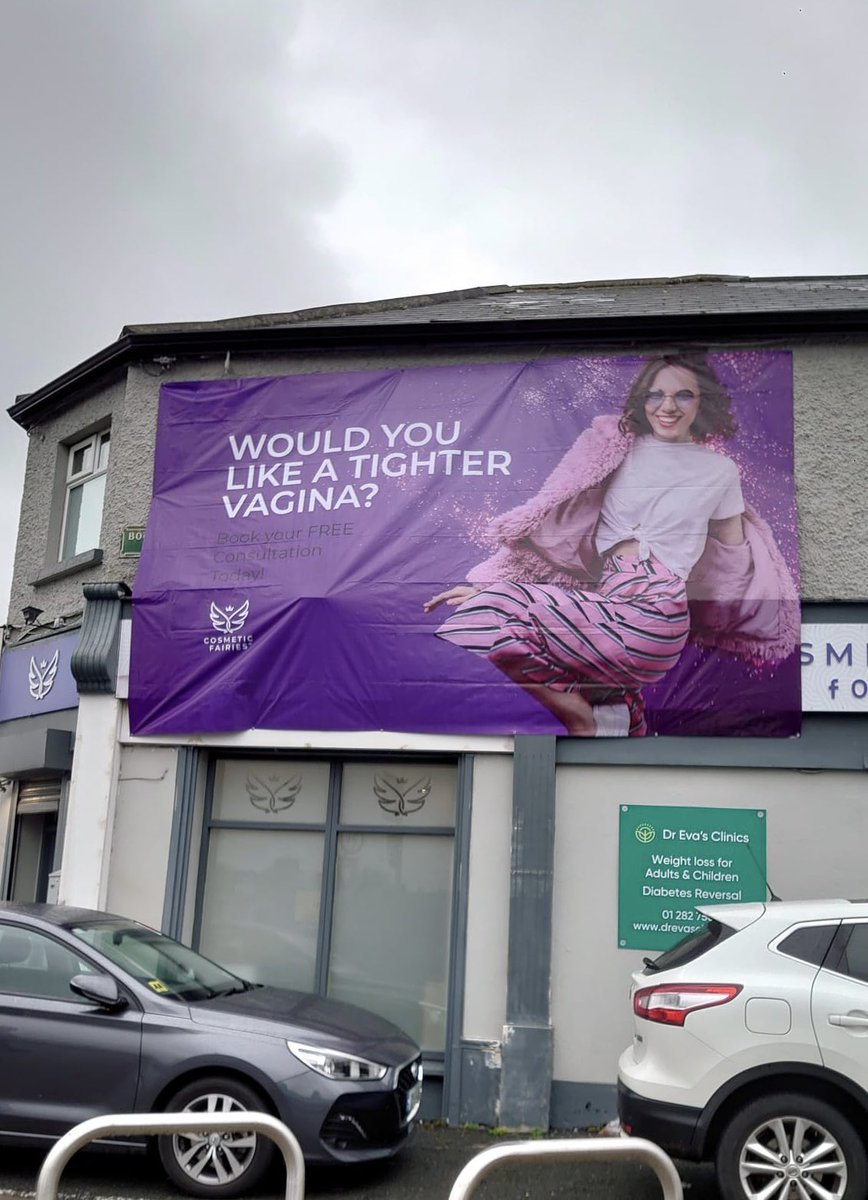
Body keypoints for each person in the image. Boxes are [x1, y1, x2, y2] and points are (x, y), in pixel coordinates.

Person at [423, 353, 799, 737]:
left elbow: (734, 565)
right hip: (609, 601)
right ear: (642, 399)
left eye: (683, 396)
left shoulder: (720, 471)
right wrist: (490, 586)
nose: (668, 407)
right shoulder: (614, 450)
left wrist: (740, 612)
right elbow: (554, 516)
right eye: (656, 395)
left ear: (703, 402)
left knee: (490, 610)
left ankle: (576, 713)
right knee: (608, 712)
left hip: (659, 610)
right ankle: (614, 715)